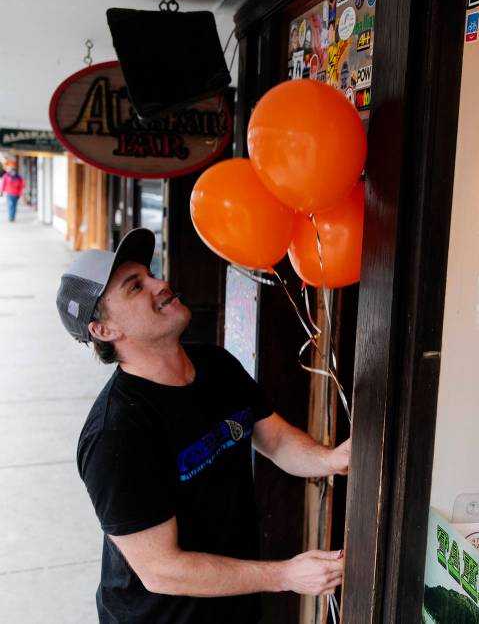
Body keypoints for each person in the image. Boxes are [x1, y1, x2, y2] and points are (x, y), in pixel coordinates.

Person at [56, 228, 352, 623]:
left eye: (151, 274)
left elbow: (274, 438)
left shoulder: (216, 364)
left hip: (233, 608)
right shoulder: (117, 432)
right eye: (135, 287)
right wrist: (285, 574)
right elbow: (162, 569)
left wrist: (332, 459)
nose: (161, 284)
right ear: (105, 330)